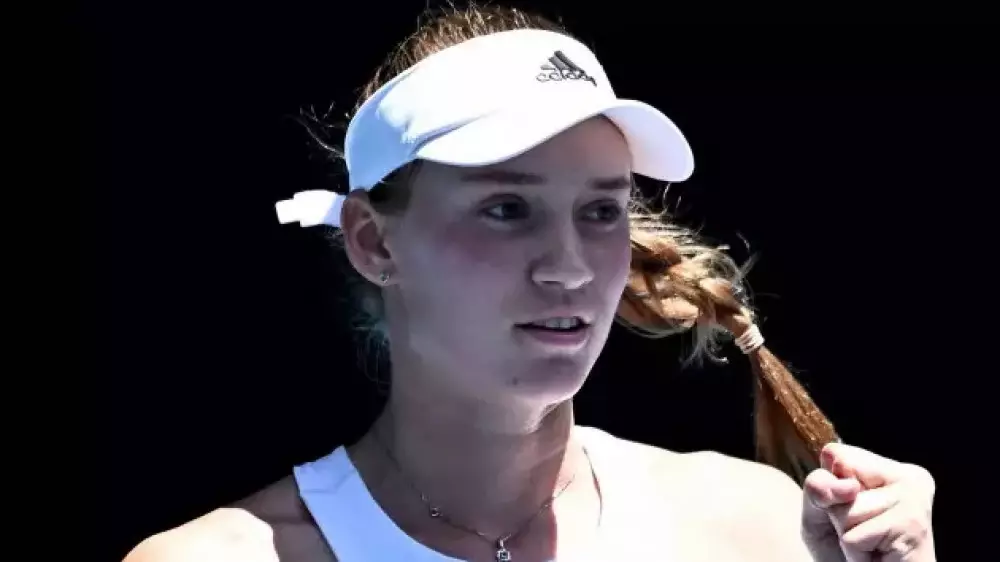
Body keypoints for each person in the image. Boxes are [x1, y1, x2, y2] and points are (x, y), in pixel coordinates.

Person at [122, 4, 937, 562]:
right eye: (506, 208)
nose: (571, 266)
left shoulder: (758, 526)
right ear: (374, 242)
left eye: (601, 211)